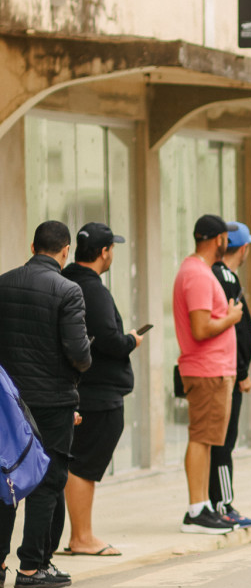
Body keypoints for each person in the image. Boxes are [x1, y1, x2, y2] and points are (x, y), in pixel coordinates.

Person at [0, 220, 91, 588]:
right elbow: (79, 354)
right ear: (65, 251)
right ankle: (32, 567)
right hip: (53, 402)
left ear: (32, 246)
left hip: (9, 401)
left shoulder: (3, 284)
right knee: (47, 480)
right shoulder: (68, 290)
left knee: (6, 476)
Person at [61, 222, 145, 555]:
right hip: (98, 392)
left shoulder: (66, 280)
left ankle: (77, 536)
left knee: (78, 461)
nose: (112, 255)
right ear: (104, 252)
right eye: (112, 249)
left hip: (79, 388)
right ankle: (81, 537)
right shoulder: (92, 289)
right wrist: (131, 340)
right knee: (83, 464)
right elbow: (108, 340)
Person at [173, 214, 243, 534]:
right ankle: (197, 509)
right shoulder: (198, 274)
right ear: (219, 240)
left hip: (210, 369)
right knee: (201, 438)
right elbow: (201, 328)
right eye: (225, 238)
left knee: (205, 438)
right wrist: (232, 317)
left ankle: (201, 506)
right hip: (206, 370)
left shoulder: (196, 271)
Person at [211, 222, 251, 528]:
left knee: (219, 440)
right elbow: (231, 330)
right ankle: (223, 504)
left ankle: (215, 503)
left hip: (224, 369)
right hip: (229, 371)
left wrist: (249, 326)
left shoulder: (216, 275)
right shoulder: (227, 277)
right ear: (243, 249)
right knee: (224, 441)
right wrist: (242, 372)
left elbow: (232, 324)